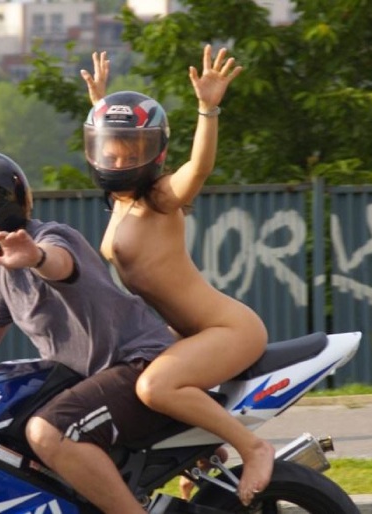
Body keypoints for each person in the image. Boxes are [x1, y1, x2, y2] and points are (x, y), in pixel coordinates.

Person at [0, 150, 179, 514]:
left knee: (48, 432)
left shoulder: (50, 237)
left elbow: (60, 263)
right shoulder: (3, 268)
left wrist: (36, 257)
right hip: (95, 380)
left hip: (137, 364)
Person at [81, 45, 275, 506]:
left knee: (156, 387)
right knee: (116, 379)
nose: (118, 160)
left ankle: (254, 448)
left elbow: (200, 168)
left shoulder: (161, 199)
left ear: (152, 154)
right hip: (181, 331)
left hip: (226, 329)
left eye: (129, 153)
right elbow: (118, 141)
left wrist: (208, 108)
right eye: (110, 151)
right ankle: (203, 456)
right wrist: (102, 105)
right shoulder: (122, 202)